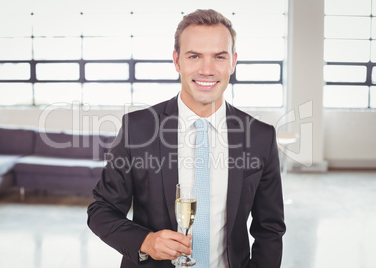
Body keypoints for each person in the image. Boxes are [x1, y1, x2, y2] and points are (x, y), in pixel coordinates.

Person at [87, 9, 286, 268]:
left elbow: (270, 228)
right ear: (177, 61)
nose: (207, 69)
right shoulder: (138, 129)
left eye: (219, 57)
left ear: (233, 62)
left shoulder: (260, 136)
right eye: (194, 56)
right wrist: (145, 241)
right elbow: (101, 211)